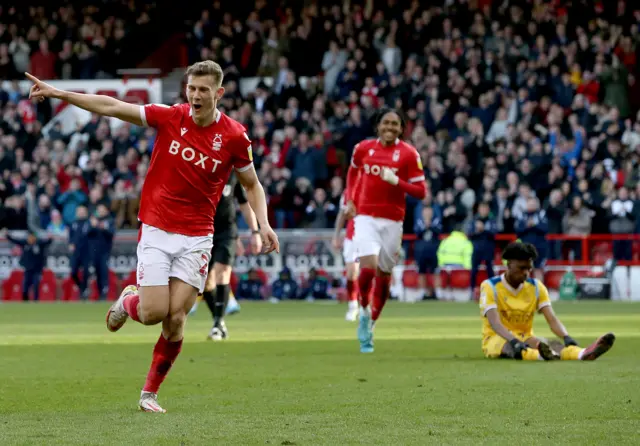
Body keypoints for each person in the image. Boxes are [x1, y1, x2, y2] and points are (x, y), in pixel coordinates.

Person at [25, 62, 280, 413]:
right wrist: (59, 93)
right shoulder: (169, 117)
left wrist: (263, 224)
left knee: (177, 318)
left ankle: (149, 394)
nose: (195, 95)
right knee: (152, 314)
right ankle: (127, 302)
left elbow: (252, 185)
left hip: (197, 237)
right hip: (158, 228)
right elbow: (112, 106)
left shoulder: (235, 136)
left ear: (218, 94)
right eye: (191, 88)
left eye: (203, 90)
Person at [344, 108, 427, 353]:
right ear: (378, 125)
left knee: (384, 274)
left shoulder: (409, 154)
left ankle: (372, 323)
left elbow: (421, 192)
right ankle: (363, 310)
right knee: (367, 267)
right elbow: (352, 172)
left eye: (395, 124)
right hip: (366, 216)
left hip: (393, 220)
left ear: (401, 129)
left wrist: (397, 182)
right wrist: (350, 199)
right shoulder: (362, 148)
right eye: (386, 123)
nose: (390, 128)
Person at [479, 242, 615, 361]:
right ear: (509, 264)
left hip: (525, 337)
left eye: (529, 268)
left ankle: (582, 353)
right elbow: (495, 323)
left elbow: (552, 319)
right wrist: (514, 341)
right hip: (495, 338)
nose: (526, 273)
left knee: (552, 344)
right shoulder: (490, 286)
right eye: (522, 268)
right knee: (512, 347)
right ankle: (539, 356)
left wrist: (566, 336)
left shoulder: (536, 287)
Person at [196, 173, 262, 341]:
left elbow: (244, 204)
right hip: (202, 232)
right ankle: (219, 322)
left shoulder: (232, 175)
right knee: (205, 283)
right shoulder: (198, 172)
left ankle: (218, 324)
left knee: (222, 272)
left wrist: (255, 232)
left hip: (227, 232)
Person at [2, 228, 52, 301]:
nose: (31, 238)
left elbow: (48, 242)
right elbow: (15, 240)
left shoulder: (39, 243)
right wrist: (7, 235)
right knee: (25, 286)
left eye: (33, 237)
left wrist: (50, 238)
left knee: (36, 284)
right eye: (29, 237)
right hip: (28, 269)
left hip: (37, 269)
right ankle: (25, 301)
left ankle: (36, 300)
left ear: (35, 237)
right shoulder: (24, 243)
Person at [332, 194, 359, 321]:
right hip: (352, 237)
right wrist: (336, 235)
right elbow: (343, 214)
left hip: (370, 236)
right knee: (351, 273)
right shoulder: (348, 191)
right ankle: (353, 305)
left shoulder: (373, 186)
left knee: (368, 272)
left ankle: (367, 305)